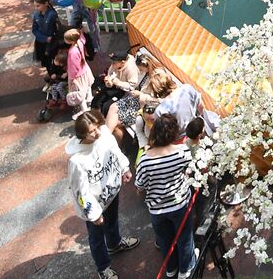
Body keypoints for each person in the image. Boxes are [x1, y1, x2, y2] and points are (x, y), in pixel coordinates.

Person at [67, 110, 138, 279]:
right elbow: (81, 192)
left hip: (111, 190)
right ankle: (103, 267)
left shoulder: (103, 134)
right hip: (96, 204)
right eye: (92, 131)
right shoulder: (77, 161)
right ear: (82, 134)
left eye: (98, 126)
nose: (98, 132)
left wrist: (124, 167)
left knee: (113, 219)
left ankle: (114, 243)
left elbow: (114, 151)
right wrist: (93, 214)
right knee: (96, 237)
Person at [134, 113, 195, 279]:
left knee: (164, 240)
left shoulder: (145, 160)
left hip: (156, 209)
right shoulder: (181, 152)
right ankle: (186, 268)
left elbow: (140, 185)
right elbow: (189, 170)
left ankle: (171, 268)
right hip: (179, 203)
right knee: (184, 237)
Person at [105, 50, 155, 146]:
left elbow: (155, 99)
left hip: (143, 105)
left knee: (116, 124)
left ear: (146, 66)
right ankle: (105, 139)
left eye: (140, 69)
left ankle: (110, 144)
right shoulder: (143, 73)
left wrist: (140, 94)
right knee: (113, 107)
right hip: (135, 99)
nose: (139, 71)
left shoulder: (155, 78)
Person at [65, 29, 94, 114]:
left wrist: (72, 78)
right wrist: (81, 32)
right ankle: (90, 98)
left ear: (71, 40)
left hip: (77, 76)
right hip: (84, 69)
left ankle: (84, 109)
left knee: (79, 93)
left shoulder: (72, 52)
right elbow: (83, 39)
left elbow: (73, 67)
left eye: (66, 39)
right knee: (88, 86)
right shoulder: (80, 42)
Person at [30, 0, 61, 74]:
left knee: (53, 61)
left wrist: (51, 38)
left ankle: (56, 76)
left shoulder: (52, 15)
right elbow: (34, 29)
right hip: (40, 42)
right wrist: (44, 38)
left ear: (46, 3)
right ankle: (51, 75)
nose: (36, 8)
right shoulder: (36, 15)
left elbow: (57, 29)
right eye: (35, 6)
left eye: (38, 6)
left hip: (51, 43)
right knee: (45, 62)